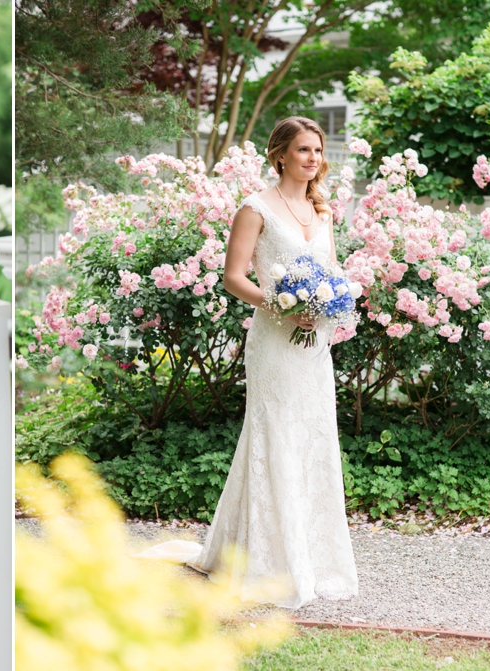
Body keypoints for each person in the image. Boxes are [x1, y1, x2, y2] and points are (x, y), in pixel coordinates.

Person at [139, 117, 358, 609]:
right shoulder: (255, 208)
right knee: (275, 434)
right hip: (275, 343)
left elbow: (331, 271)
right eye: (303, 150)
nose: (313, 159)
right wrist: (280, 305)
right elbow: (233, 277)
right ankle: (271, 564)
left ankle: (314, 559)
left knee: (313, 435)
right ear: (280, 154)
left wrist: (326, 306)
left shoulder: (323, 210)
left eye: (318, 151)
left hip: (313, 343)